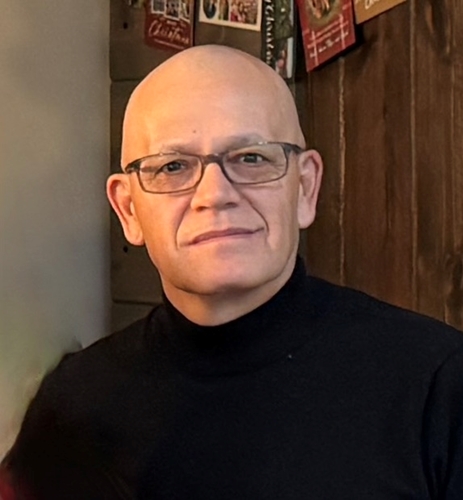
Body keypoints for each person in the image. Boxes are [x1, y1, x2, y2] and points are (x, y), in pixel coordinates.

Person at [2, 45, 463, 499]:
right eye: (173, 166)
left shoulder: (438, 386)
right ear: (129, 210)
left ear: (305, 188)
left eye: (251, 158)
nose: (215, 195)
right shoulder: (71, 406)